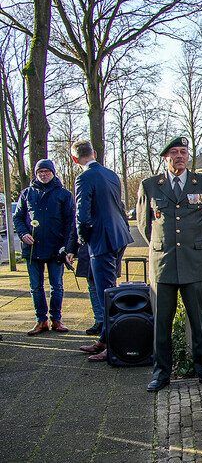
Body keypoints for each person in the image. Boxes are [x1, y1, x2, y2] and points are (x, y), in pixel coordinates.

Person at [137, 136, 202, 392]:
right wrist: (164, 246)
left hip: (194, 263)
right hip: (163, 264)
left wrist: (194, 244)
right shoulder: (151, 185)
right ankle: (161, 373)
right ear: (165, 157)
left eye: (183, 152)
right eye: (174, 152)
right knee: (161, 323)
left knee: (199, 321)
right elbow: (145, 226)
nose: (179, 156)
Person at [72, 140, 133, 361]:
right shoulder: (111, 174)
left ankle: (113, 347)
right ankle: (104, 340)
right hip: (118, 237)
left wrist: (83, 238)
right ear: (94, 153)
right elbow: (119, 206)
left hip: (102, 240)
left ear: (75, 159)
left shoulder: (84, 177)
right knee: (108, 291)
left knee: (106, 295)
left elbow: (82, 213)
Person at [13, 159, 74, 336]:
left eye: (47, 171)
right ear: (35, 174)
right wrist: (23, 233)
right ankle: (41, 320)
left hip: (56, 248)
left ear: (53, 173)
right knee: (36, 287)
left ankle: (56, 319)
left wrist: (68, 246)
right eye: (40, 172)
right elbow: (18, 218)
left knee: (57, 286)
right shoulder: (26, 194)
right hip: (32, 249)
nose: (43, 174)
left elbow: (70, 221)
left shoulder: (64, 194)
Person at [65, 225, 109, 335]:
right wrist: (71, 250)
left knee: (107, 287)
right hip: (88, 250)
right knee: (93, 286)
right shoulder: (81, 208)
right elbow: (75, 228)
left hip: (106, 249)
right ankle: (100, 320)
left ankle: (108, 321)